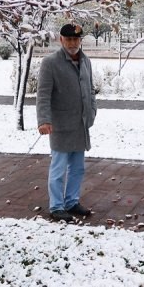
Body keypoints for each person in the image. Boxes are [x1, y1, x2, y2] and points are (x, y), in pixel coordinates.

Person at [36, 23, 97, 222]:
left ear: (80, 40)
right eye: (68, 39)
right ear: (61, 40)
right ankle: (56, 206)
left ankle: (72, 201)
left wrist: (92, 111)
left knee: (78, 168)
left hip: (81, 125)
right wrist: (44, 120)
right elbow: (43, 95)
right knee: (59, 168)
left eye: (76, 39)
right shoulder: (50, 62)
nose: (72, 43)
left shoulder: (85, 61)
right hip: (60, 125)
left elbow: (90, 90)